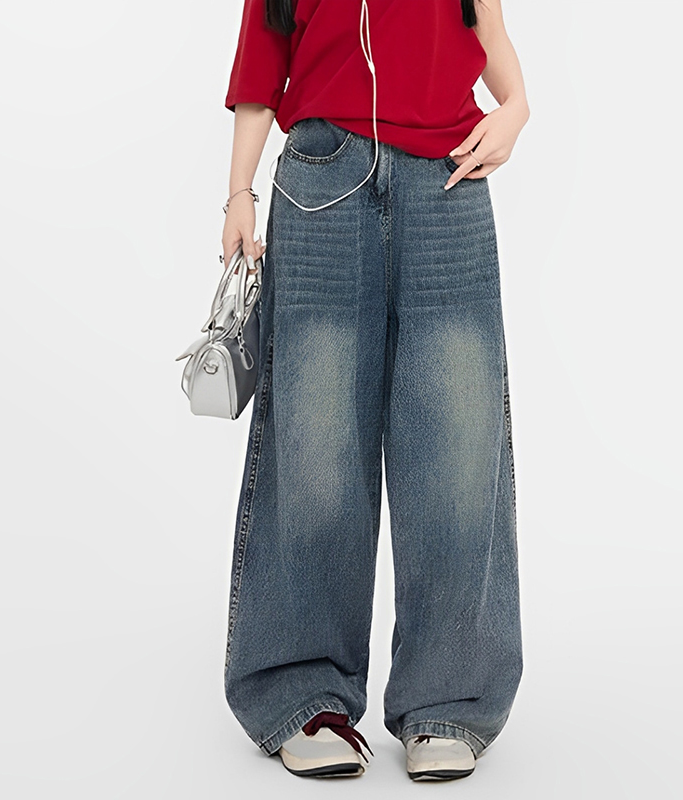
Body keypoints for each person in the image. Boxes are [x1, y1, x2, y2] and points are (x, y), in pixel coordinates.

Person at [219, 0, 529, 781]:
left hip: (448, 176)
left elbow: (487, 27)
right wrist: (239, 193)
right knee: (315, 442)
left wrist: (517, 108)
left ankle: (449, 698)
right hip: (321, 179)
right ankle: (301, 691)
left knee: (458, 443)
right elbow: (263, 52)